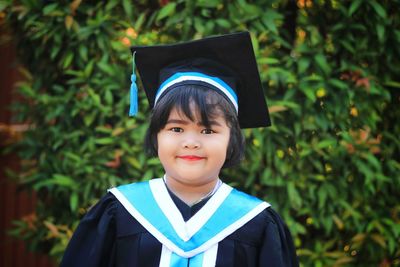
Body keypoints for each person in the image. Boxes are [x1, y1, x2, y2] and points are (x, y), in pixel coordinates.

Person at [60, 32, 299, 267]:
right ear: (156, 136)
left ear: (232, 139)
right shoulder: (119, 213)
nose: (191, 142)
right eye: (176, 129)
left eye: (208, 130)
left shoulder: (257, 224)